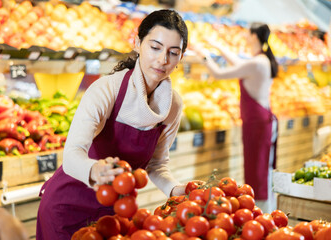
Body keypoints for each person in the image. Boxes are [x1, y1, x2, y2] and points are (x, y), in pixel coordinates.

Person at [36, 9, 189, 239]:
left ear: (180, 58)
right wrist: (95, 170)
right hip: (66, 209)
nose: (162, 60)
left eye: (173, 52)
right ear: (137, 44)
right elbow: (71, 155)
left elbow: (156, 165)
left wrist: (177, 190)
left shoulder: (172, 105)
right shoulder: (106, 89)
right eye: (155, 47)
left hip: (114, 216)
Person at [192, 23, 278, 213]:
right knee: (258, 168)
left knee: (257, 171)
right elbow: (239, 64)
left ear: (254, 36)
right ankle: (260, 211)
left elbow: (219, 73)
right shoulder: (261, 60)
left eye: (247, 33)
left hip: (257, 123)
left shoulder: (257, 63)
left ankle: (261, 212)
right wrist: (217, 46)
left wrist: (202, 55)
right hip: (257, 122)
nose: (245, 36)